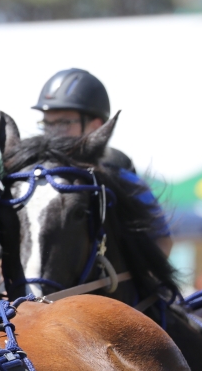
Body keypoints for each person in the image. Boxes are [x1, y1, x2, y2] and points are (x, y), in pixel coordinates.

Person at [33, 68, 173, 256]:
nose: (52, 133)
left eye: (64, 123)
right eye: (47, 123)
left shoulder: (121, 177)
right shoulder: (33, 176)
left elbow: (163, 241)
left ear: (96, 126)